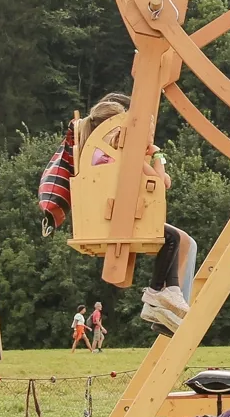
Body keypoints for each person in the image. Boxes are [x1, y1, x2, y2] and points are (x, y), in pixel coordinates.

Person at [82, 93, 196, 333]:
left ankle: (168, 298)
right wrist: (156, 153)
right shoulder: (120, 155)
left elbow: (162, 180)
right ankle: (159, 294)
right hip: (121, 218)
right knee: (174, 239)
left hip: (115, 216)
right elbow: (161, 181)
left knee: (179, 239)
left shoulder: (103, 153)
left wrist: (151, 155)